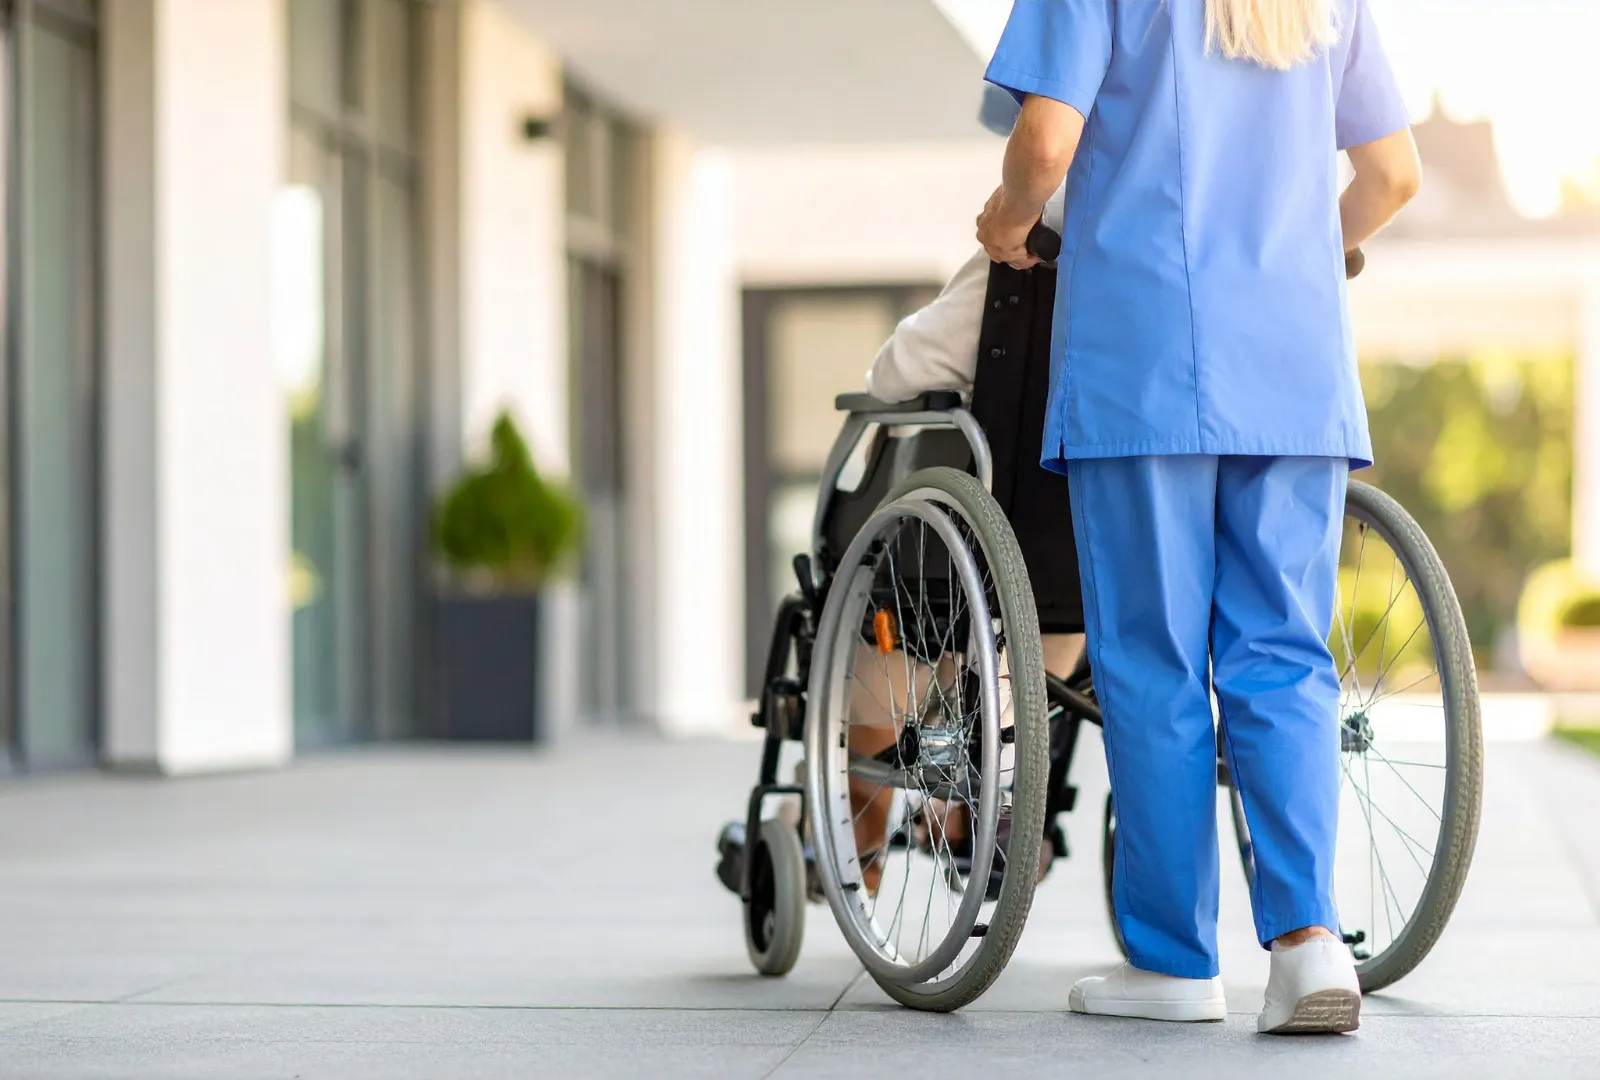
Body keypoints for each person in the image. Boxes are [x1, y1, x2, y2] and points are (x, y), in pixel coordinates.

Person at [970, 0, 1420, 1035]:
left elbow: (1043, 140)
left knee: (1152, 658)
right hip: (1295, 363)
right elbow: (1393, 175)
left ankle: (1174, 961)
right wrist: (1316, 249)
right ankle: (1308, 949)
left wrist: (1006, 220)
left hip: (1148, 358)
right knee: (1282, 651)